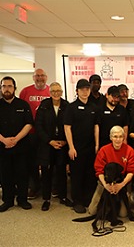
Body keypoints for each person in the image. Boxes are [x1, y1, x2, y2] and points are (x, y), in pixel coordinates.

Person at [35, 82, 73, 211]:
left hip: (62, 144)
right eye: (53, 91)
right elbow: (38, 126)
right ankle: (46, 199)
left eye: (58, 91)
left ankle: (62, 197)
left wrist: (65, 141)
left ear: (62, 92)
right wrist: (49, 141)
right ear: (49, 93)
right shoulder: (44, 106)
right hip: (47, 144)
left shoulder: (67, 105)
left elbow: (70, 126)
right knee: (46, 172)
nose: (56, 93)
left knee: (62, 172)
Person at [64, 79, 100, 213]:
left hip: (90, 147)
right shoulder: (71, 107)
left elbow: (96, 127)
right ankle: (77, 201)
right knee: (77, 175)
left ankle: (87, 199)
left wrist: (97, 144)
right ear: (77, 91)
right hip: (76, 148)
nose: (85, 91)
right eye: (82, 89)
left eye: (87, 89)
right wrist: (71, 147)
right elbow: (67, 127)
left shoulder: (94, 107)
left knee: (90, 174)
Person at [0, 76, 34, 212]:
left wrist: (16, 139)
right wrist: (4, 140)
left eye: (9, 86)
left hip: (21, 146)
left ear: (15, 88)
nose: (6, 89)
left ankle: (22, 199)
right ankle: (8, 200)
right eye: (4, 86)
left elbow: (29, 124)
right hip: (2, 146)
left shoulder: (23, 105)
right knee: (5, 174)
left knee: (22, 173)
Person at [89, 126, 134, 216]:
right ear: (111, 137)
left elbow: (131, 171)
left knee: (123, 214)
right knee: (93, 212)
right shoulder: (103, 150)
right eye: (115, 136)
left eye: (120, 137)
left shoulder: (130, 151)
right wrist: (105, 185)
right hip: (105, 182)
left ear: (124, 137)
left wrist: (120, 185)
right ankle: (108, 205)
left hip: (123, 182)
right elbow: (99, 171)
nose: (118, 139)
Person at [19, 69, 50, 199]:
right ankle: (34, 187)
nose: (40, 78)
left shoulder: (51, 91)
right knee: (31, 161)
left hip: (46, 133)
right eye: (37, 76)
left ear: (46, 77)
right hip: (30, 133)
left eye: (42, 75)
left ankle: (46, 187)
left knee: (45, 161)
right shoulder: (25, 91)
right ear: (33, 77)